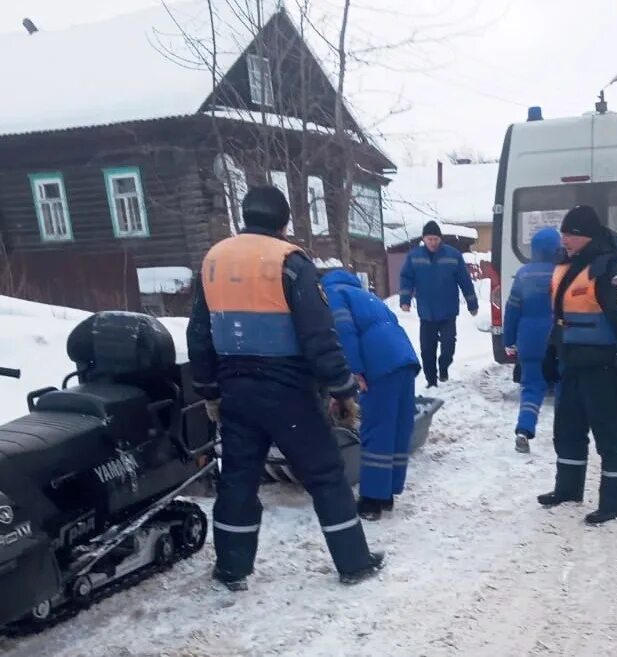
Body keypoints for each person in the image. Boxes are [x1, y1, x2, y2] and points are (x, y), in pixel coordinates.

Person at [186, 184, 384, 590]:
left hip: (235, 388)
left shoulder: (214, 260)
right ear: (283, 221)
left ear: (246, 214)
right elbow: (318, 335)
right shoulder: (290, 262)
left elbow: (199, 334)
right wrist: (342, 389)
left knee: (238, 478)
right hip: (288, 389)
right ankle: (354, 563)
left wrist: (208, 390)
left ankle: (231, 570)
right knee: (326, 474)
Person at [538, 205, 617, 525]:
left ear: (587, 236)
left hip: (604, 367)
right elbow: (562, 317)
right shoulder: (567, 266)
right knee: (568, 430)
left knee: (609, 435)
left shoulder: (611, 271)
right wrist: (550, 351)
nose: (565, 240)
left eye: (571, 234)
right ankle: (567, 489)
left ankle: (614, 504)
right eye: (563, 234)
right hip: (572, 363)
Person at [321, 269, 421, 521]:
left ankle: (371, 502)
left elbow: (343, 330)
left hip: (379, 361)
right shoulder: (366, 296)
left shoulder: (334, 294)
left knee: (377, 428)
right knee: (399, 425)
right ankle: (387, 494)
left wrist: (354, 369)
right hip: (404, 357)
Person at [502, 227, 562, 454]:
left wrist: (508, 339)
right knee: (564, 384)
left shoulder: (523, 274)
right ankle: (564, 434)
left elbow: (512, 310)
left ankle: (524, 430)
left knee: (531, 387)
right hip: (557, 339)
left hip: (528, 339)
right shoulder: (562, 273)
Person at [399, 221, 478, 388]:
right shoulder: (414, 257)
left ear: (440, 239)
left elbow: (465, 280)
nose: (433, 242)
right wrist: (405, 300)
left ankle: (444, 366)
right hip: (426, 311)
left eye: (435, 239)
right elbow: (406, 278)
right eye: (429, 239)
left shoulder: (453, 255)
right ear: (424, 239)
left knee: (448, 346)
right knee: (427, 350)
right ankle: (431, 381)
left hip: (448, 310)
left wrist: (472, 303)